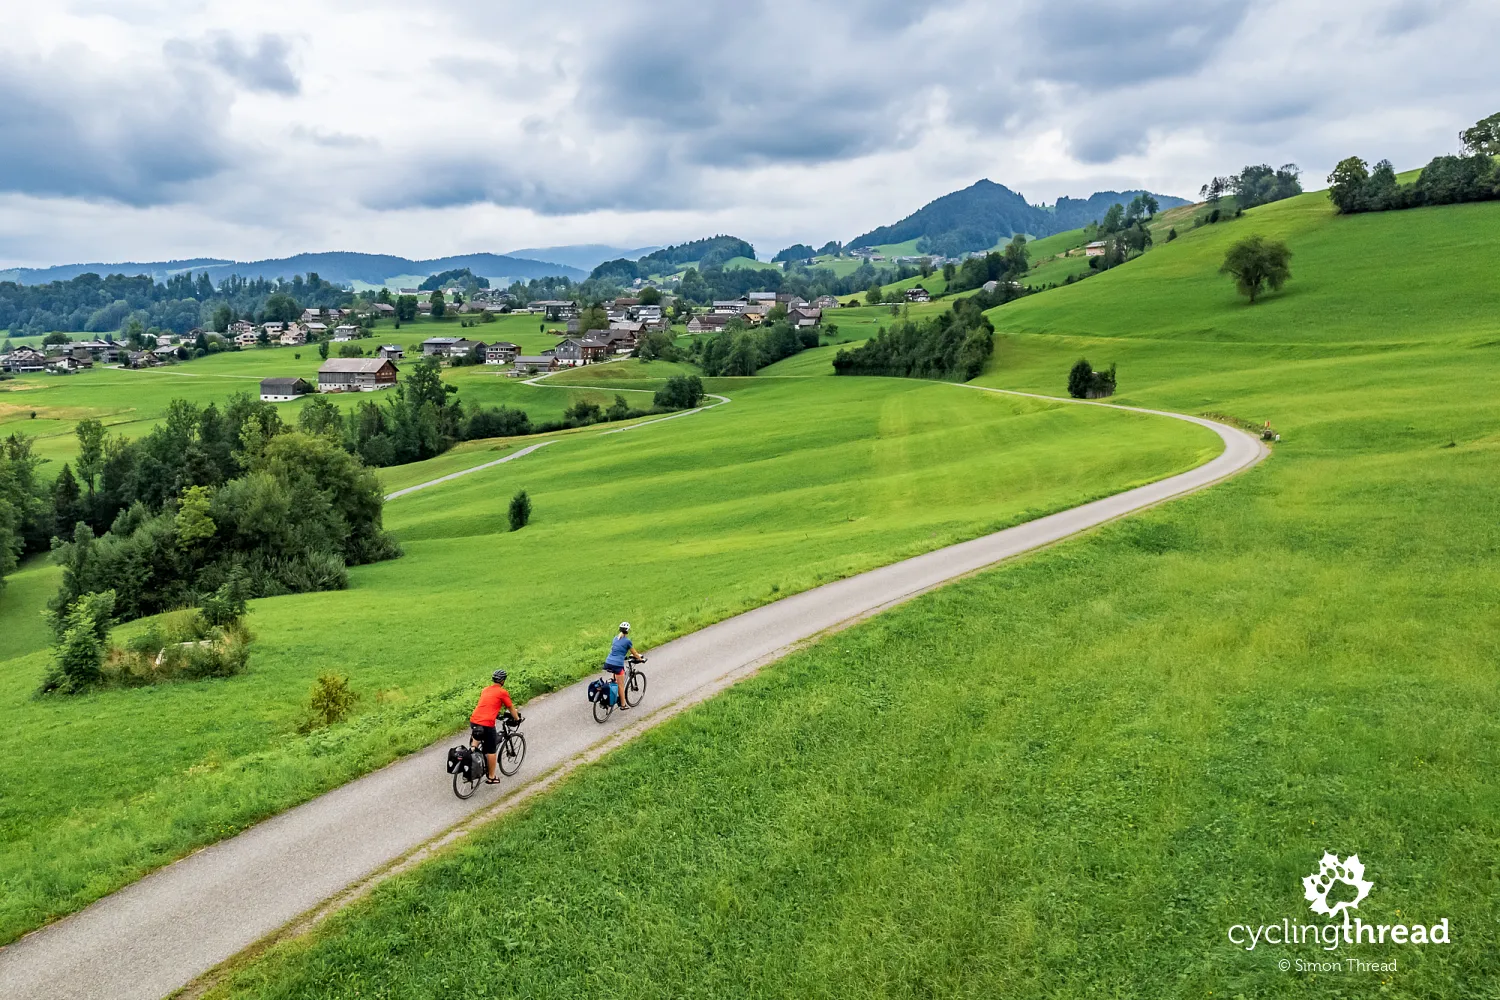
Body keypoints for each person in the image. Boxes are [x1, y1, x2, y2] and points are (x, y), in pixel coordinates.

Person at [470, 669, 521, 782]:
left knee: (477, 736)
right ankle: (491, 777)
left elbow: (488, 704)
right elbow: (510, 708)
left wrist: (495, 713)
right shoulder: (502, 692)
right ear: (503, 681)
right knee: (491, 751)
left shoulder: (485, 690)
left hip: (474, 720)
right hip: (487, 724)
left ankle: (472, 752)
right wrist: (517, 718)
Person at [602, 621, 644, 709]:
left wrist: (622, 656)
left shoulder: (615, 638)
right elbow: (634, 653)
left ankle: (611, 695)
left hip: (608, 662)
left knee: (615, 680)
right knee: (621, 685)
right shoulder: (627, 641)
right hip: (617, 665)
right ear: (628, 631)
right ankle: (623, 705)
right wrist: (640, 659)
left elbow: (616, 650)